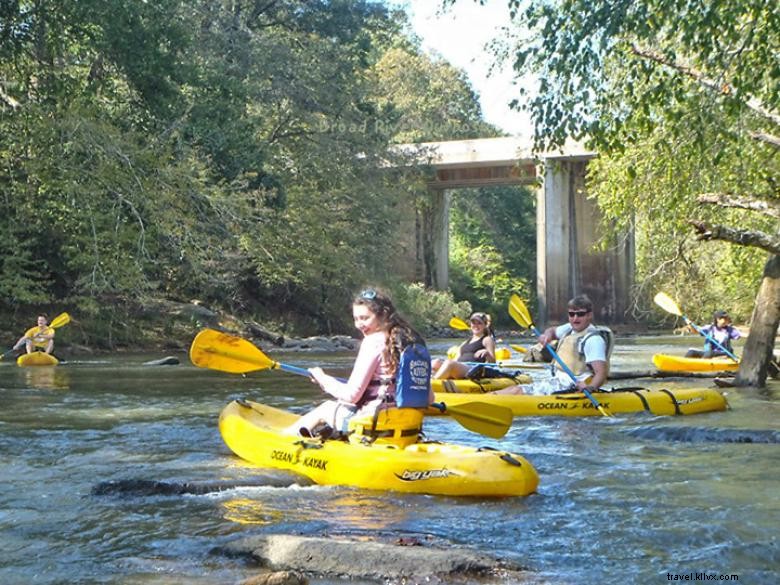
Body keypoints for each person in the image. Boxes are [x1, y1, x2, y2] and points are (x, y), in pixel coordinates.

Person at [287, 288, 433, 438]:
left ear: (383, 315)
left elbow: (351, 395)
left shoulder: (373, 342)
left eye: (364, 318)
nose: (359, 324)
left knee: (326, 408)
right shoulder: (413, 342)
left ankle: (283, 441)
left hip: (375, 426)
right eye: (356, 319)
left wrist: (322, 378)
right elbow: (429, 399)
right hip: (409, 428)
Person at [494, 294, 611, 395]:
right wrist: (547, 336)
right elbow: (552, 331)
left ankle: (486, 401)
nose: (575, 318)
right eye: (571, 314)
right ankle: (488, 397)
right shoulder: (570, 328)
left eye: (580, 314)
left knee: (517, 392)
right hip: (558, 382)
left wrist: (590, 388)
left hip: (571, 387)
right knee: (513, 390)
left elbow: (601, 373)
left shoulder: (593, 340)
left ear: (589, 315)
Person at [432, 312, 497, 379]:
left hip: (473, 370)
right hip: (459, 367)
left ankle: (432, 383)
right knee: (436, 362)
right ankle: (435, 379)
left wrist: (487, 353)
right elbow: (455, 360)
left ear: (485, 325)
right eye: (473, 323)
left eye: (479, 323)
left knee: (450, 363)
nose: (476, 325)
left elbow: (493, 363)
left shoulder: (487, 339)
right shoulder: (464, 343)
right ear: (470, 324)